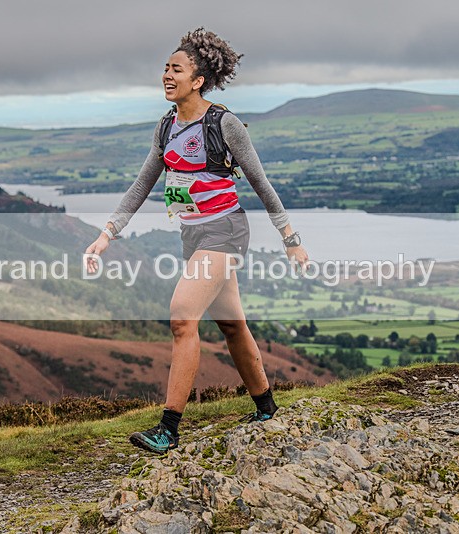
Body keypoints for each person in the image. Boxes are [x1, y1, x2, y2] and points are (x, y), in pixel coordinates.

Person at [84, 28, 309, 454]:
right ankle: (267, 407)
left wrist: (290, 239)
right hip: (194, 235)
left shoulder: (224, 124)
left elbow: (262, 184)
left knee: (182, 317)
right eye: (165, 68)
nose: (167, 75)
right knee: (231, 324)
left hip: (225, 232)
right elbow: (141, 185)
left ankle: (169, 428)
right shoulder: (167, 125)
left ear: (198, 79)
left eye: (177, 69)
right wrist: (106, 234)